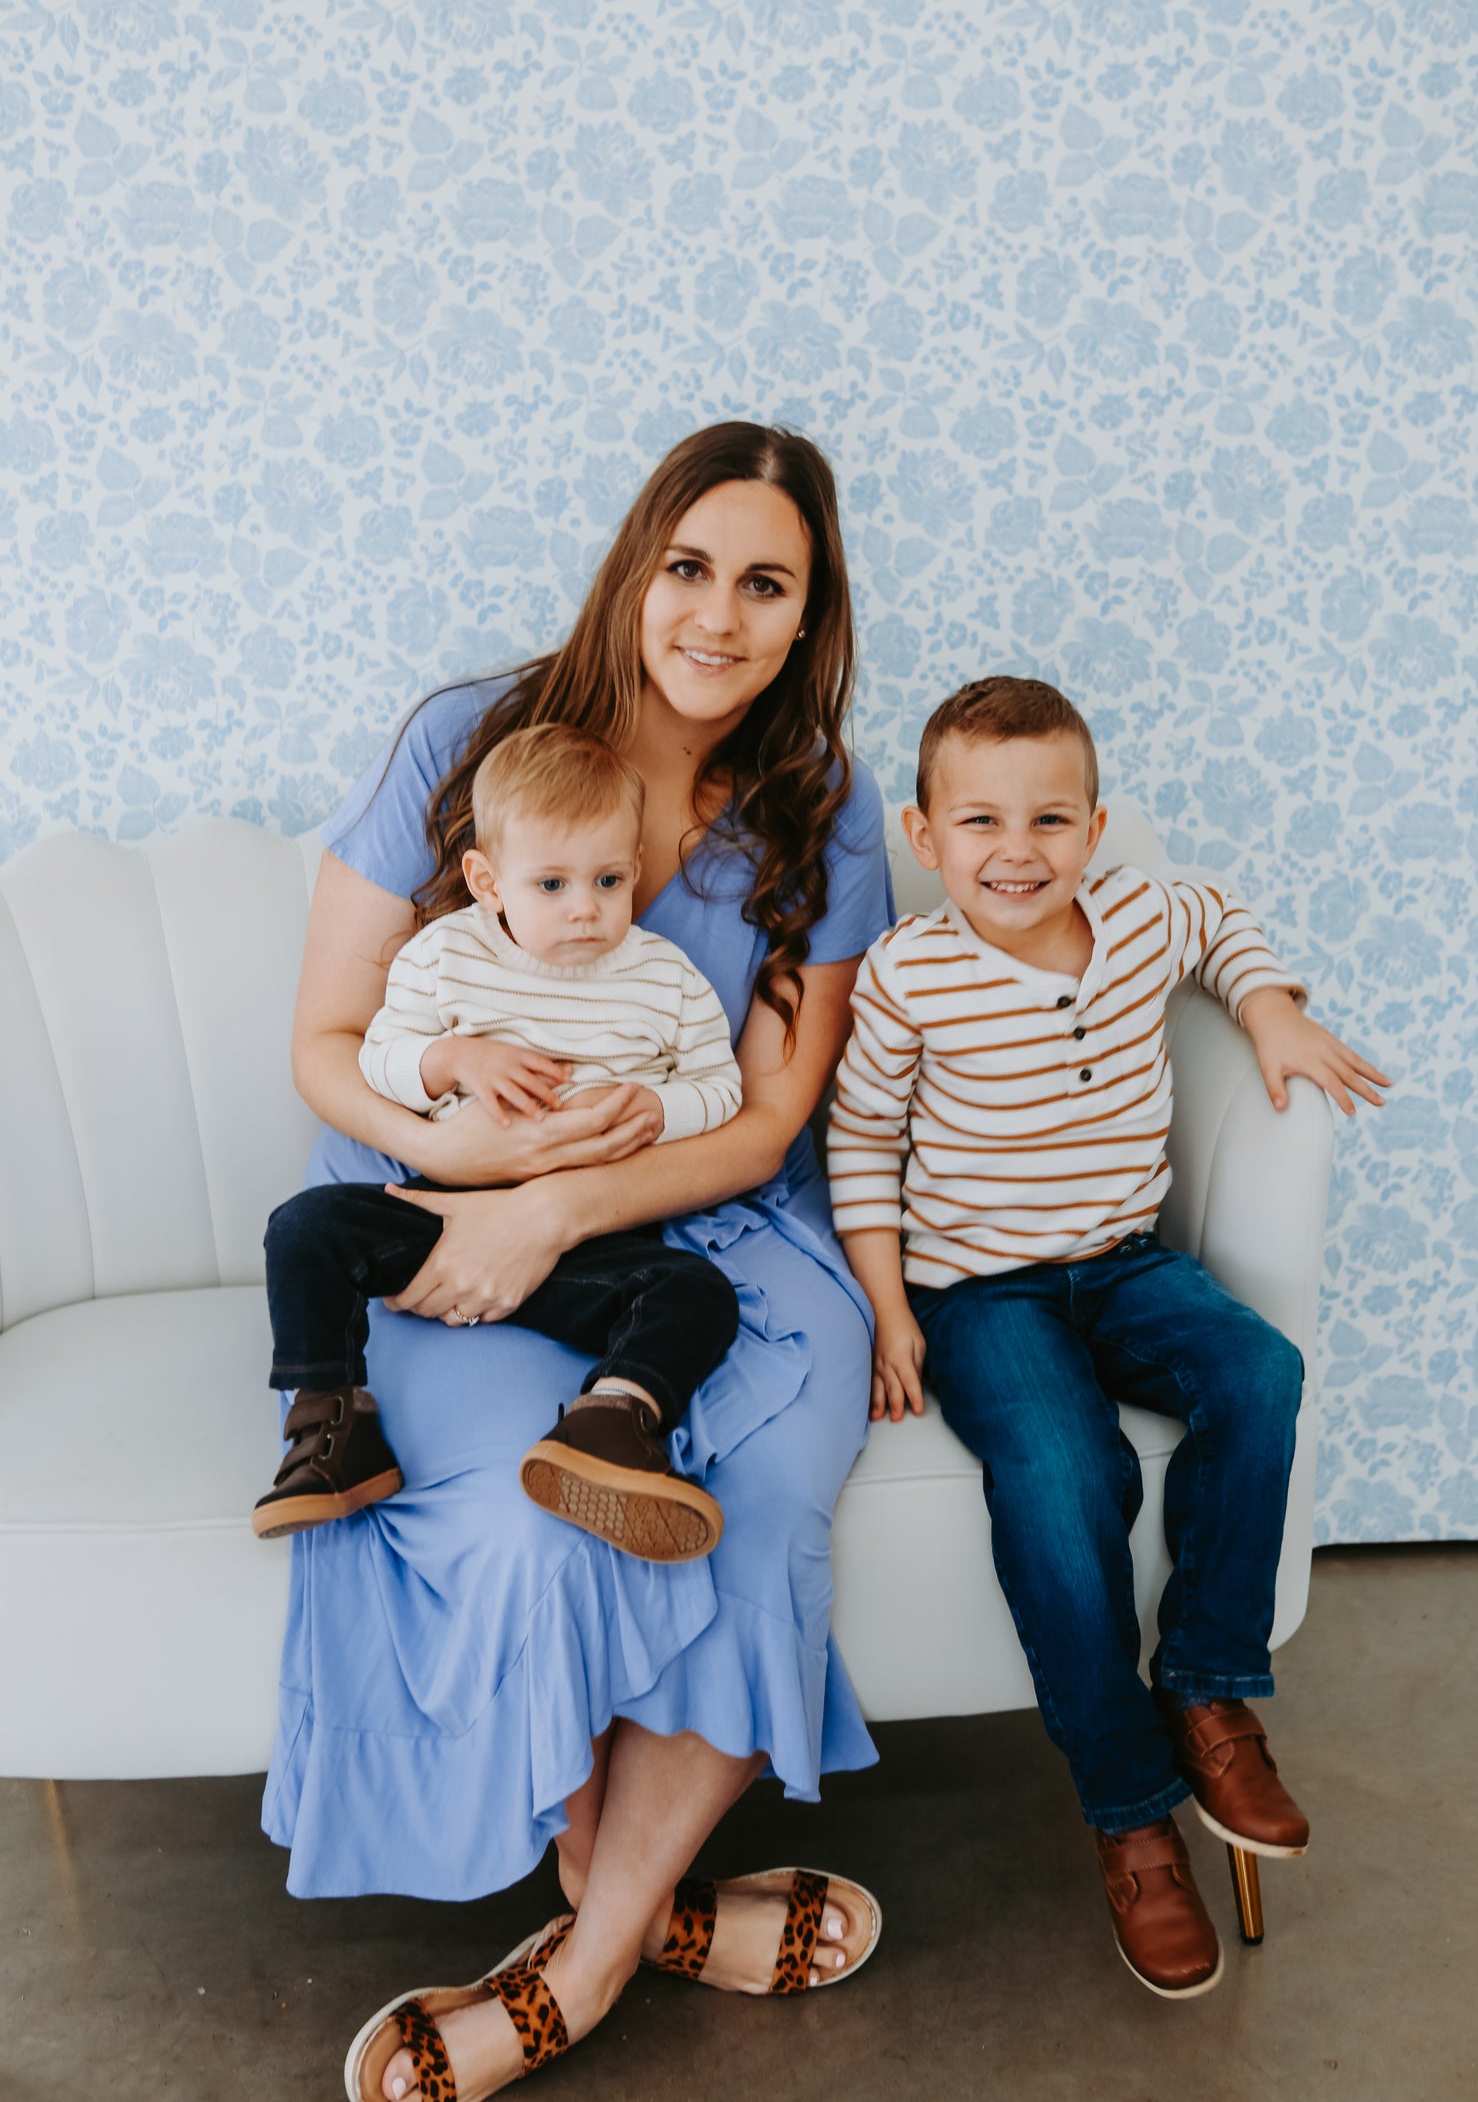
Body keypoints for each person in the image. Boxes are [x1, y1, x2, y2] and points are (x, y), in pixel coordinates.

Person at [261, 423, 894, 2102]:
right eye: (690, 566)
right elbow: (330, 1042)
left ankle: (587, 1967)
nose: (717, 615)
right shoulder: (464, 746)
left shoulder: (818, 813)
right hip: (446, 1217)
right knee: (526, 1522)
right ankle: (652, 1901)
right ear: (635, 566)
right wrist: (480, 1176)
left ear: (809, 614)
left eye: (767, 583)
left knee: (752, 1505)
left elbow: (763, 1129)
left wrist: (565, 1207)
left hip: (719, 1231)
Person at [828, 675, 1388, 2003]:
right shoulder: (912, 975)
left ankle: (1204, 1686)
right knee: (1063, 1472)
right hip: (982, 1293)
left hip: (1128, 1264)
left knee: (1260, 1369)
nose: (1015, 850)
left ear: (1094, 825)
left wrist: (1267, 1005)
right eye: (980, 821)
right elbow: (857, 1144)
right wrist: (893, 1310)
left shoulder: (1139, 912)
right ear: (924, 832)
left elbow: (1223, 923)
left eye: (1050, 818)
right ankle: (1129, 1807)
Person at [252, 723, 744, 1564]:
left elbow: (723, 1090)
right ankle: (332, 1423)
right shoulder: (445, 957)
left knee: (698, 1293)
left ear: (637, 868)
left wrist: (660, 1109)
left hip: (587, 1239)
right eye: (550, 883)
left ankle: (611, 1422)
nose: (585, 907)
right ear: (488, 881)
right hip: (441, 1216)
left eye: (609, 879)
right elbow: (380, 1056)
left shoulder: (665, 980)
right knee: (304, 1228)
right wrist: (452, 1060)